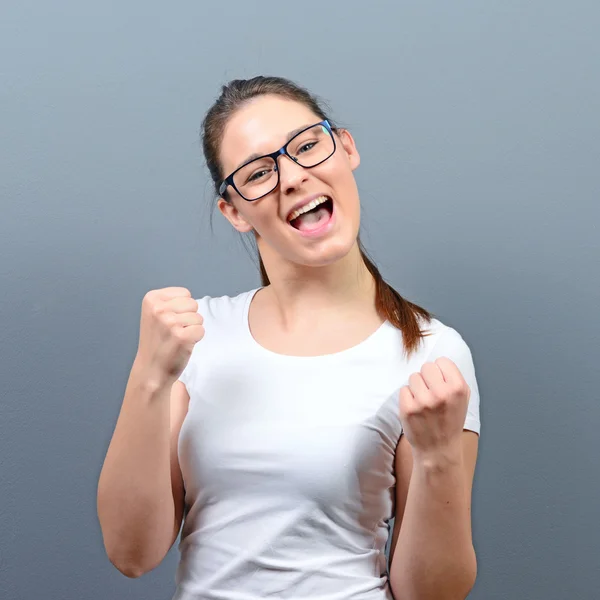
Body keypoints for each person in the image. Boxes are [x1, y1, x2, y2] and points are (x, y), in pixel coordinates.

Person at [97, 76, 481, 600]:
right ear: (233, 211)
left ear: (345, 147)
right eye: (258, 173)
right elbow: (131, 554)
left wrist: (438, 460)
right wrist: (148, 378)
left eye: (306, 146)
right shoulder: (196, 339)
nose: (294, 177)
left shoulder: (432, 351)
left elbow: (431, 593)